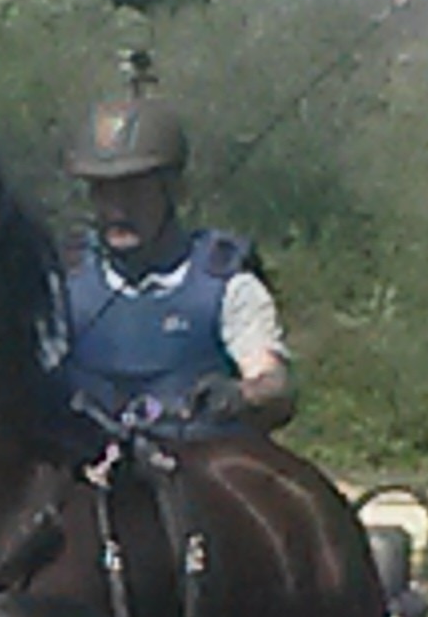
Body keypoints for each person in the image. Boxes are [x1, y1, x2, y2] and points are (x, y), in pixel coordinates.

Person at [53, 52, 295, 442]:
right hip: (85, 459)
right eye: (104, 192)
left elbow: (274, 382)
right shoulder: (63, 281)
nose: (117, 209)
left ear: (174, 191)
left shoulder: (224, 282)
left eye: (134, 192)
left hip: (199, 459)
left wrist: (241, 395)